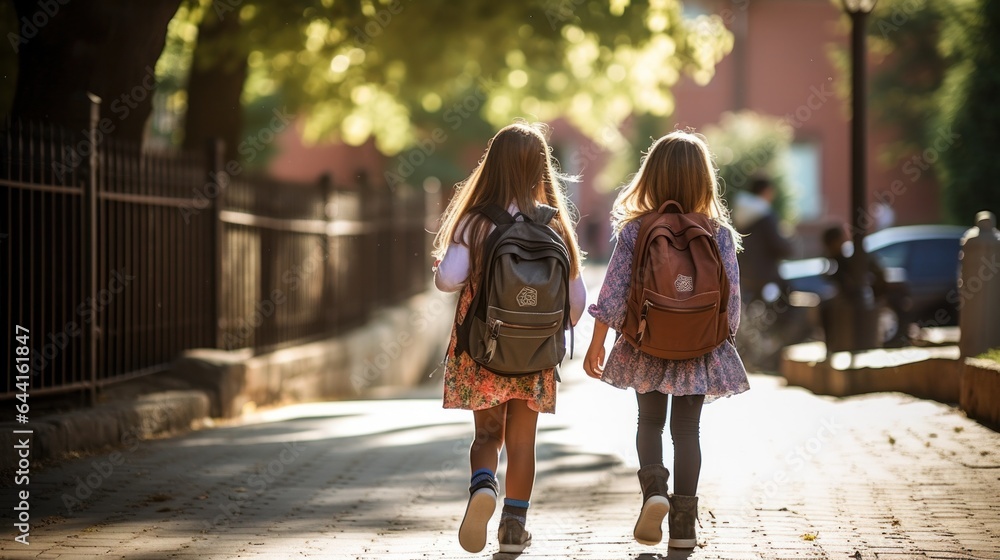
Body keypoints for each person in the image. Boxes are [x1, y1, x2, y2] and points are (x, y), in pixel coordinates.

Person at [583, 131, 749, 549]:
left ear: (650, 177)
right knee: (687, 430)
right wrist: (720, 341)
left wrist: (597, 342)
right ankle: (684, 524)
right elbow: (733, 303)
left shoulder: (636, 231)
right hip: (698, 347)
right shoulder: (719, 233)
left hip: (645, 342)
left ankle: (654, 491)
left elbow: (614, 293)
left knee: (650, 422)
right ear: (704, 180)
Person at [432, 122, 587, 554]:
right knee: (523, 443)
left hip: (482, 348)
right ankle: (514, 528)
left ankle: (483, 485)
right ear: (541, 167)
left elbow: (449, 280)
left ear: (492, 165)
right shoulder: (556, 226)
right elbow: (576, 305)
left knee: (487, 437)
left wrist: (441, 271)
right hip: (535, 353)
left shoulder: (475, 222)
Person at [732, 176, 793, 301]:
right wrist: (789, 244)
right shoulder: (766, 214)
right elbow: (778, 245)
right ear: (766, 191)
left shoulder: (740, 214)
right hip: (767, 275)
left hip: (746, 274)